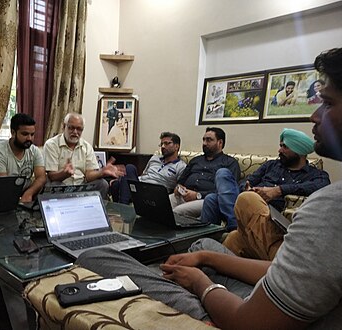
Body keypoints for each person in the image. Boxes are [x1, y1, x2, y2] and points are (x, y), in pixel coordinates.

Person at [77, 48, 342, 328]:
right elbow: (292, 271)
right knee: (203, 244)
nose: (314, 115)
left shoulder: (327, 203)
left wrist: (200, 283)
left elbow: (249, 323)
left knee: (98, 255)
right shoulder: (274, 171)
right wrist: (205, 256)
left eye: (326, 103)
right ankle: (211, 238)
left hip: (251, 313)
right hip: (278, 276)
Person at [201, 128, 330, 260]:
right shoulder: (272, 165)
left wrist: (278, 190)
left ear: (299, 150)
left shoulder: (315, 175)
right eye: (280, 146)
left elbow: (322, 185)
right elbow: (247, 180)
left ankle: (234, 226)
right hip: (244, 204)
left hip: (269, 217)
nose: (280, 150)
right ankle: (213, 239)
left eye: (285, 147)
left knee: (224, 204)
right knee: (220, 180)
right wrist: (248, 187)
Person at [170, 127, 240, 229]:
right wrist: (178, 188)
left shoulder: (229, 163)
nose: (204, 143)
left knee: (176, 213)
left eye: (209, 140)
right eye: (203, 139)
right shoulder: (196, 160)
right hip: (183, 196)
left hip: (204, 200)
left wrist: (198, 195)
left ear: (220, 143)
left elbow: (228, 192)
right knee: (161, 206)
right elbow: (181, 181)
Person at [44, 112, 124, 199]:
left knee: (102, 184)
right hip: (61, 186)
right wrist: (64, 173)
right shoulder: (51, 144)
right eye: (71, 128)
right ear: (64, 127)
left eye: (79, 129)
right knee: (53, 185)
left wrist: (102, 172)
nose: (75, 132)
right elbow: (51, 176)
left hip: (81, 187)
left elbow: (89, 175)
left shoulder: (87, 147)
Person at [110, 132, 187, 204]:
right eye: (162, 144)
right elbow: (144, 175)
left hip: (155, 192)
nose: (163, 146)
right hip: (140, 186)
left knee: (117, 185)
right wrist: (123, 179)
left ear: (177, 146)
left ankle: (122, 207)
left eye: (167, 143)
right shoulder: (155, 158)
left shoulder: (181, 166)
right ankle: (124, 205)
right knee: (127, 170)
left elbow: (179, 187)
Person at [0, 113, 46, 203]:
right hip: (1, 197)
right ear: (13, 133)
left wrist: (29, 193)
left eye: (32, 134)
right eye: (25, 134)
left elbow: (41, 177)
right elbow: (3, 185)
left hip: (26, 195)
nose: (29, 138)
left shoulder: (34, 150)